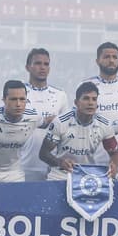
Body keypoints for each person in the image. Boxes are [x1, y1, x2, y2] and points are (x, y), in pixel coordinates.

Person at [40, 81, 118, 180]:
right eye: (86, 98)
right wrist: (60, 162)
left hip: (87, 174)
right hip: (61, 174)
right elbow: (43, 153)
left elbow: (114, 153)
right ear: (76, 103)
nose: (90, 103)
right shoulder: (61, 122)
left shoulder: (104, 124)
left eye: (94, 99)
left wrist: (114, 165)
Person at [78, 41, 118, 165]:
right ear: (97, 61)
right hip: (92, 158)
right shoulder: (85, 85)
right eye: (106, 57)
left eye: (115, 57)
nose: (111, 60)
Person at [20, 48, 69, 181]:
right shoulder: (18, 93)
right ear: (27, 67)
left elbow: (65, 131)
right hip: (22, 165)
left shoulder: (60, 95)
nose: (42, 67)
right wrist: (44, 121)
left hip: (51, 166)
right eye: (37, 63)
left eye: (46, 64)